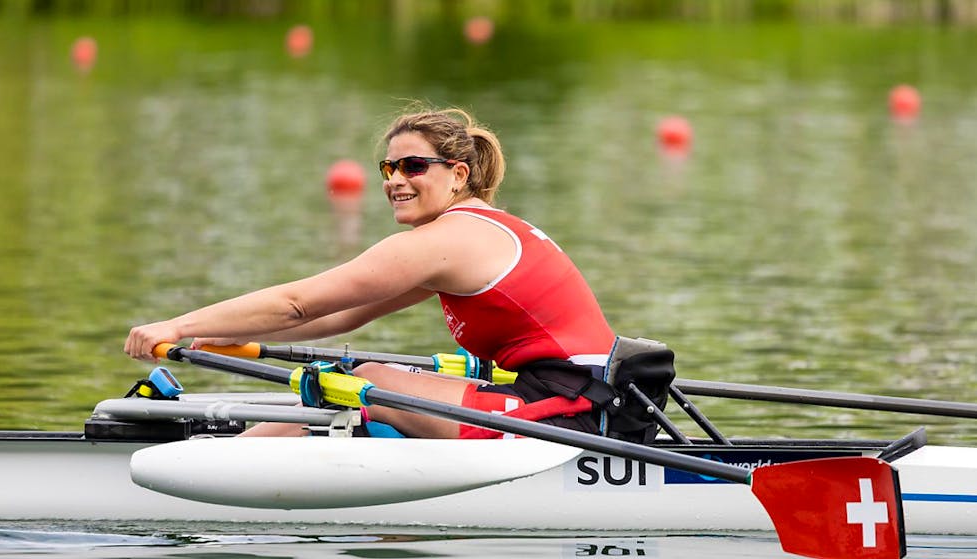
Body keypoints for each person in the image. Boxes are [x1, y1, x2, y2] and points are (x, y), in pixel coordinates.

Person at [124, 106, 616, 439]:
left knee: (361, 380)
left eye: (414, 166)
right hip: (566, 396)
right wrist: (213, 332)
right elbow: (337, 317)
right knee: (356, 381)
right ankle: (239, 460)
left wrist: (179, 327)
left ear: (458, 174)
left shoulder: (449, 240)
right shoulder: (468, 236)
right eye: (388, 168)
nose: (397, 180)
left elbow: (299, 304)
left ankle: (223, 467)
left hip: (569, 410)